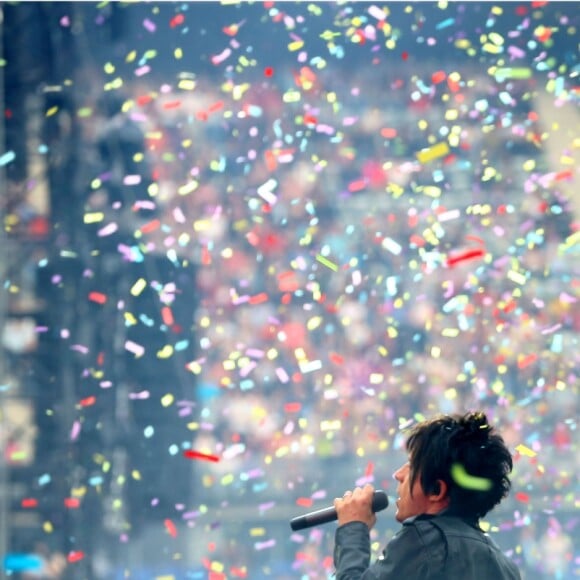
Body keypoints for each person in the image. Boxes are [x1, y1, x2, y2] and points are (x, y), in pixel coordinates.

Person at [333, 411, 521, 579]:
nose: (399, 474)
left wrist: (353, 527)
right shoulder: (506, 568)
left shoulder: (425, 541)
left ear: (436, 491)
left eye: (412, 466)